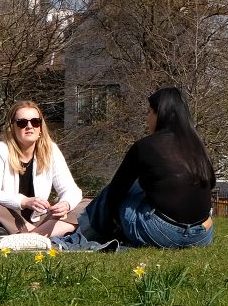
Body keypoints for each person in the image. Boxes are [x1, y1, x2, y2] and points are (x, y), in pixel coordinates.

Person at [71, 87, 216, 249]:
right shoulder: (198, 146)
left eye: (149, 112)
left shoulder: (146, 146)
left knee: (117, 190)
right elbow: (211, 183)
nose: (147, 118)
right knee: (136, 188)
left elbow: (115, 193)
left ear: (159, 114)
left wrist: (115, 223)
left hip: (162, 233)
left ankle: (83, 234)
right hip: (202, 235)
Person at [0, 101, 83, 239]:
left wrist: (65, 204)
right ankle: (42, 236)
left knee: (87, 205)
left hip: (41, 218)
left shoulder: (50, 150)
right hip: (12, 217)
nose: (29, 126)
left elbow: (71, 189)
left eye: (35, 122)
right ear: (12, 127)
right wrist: (25, 202)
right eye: (22, 122)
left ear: (40, 127)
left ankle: (32, 237)